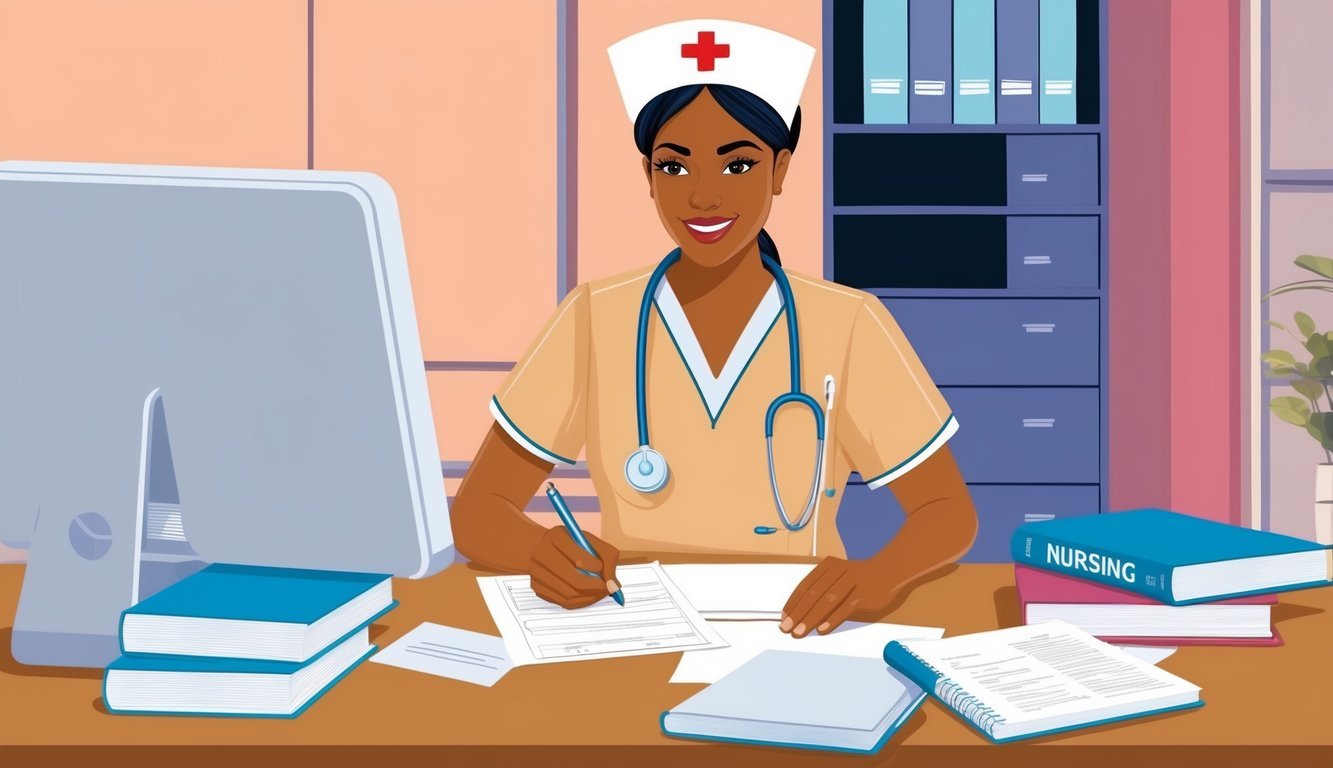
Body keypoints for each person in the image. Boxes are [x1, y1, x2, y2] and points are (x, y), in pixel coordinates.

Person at [452, 20, 976, 638]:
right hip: (631, 627)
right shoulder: (595, 315)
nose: (702, 197)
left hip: (795, 631)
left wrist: (877, 575)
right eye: (675, 167)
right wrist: (540, 553)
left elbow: (947, 513)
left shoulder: (849, 322)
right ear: (647, 177)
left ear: (780, 171)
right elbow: (479, 512)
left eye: (738, 165)